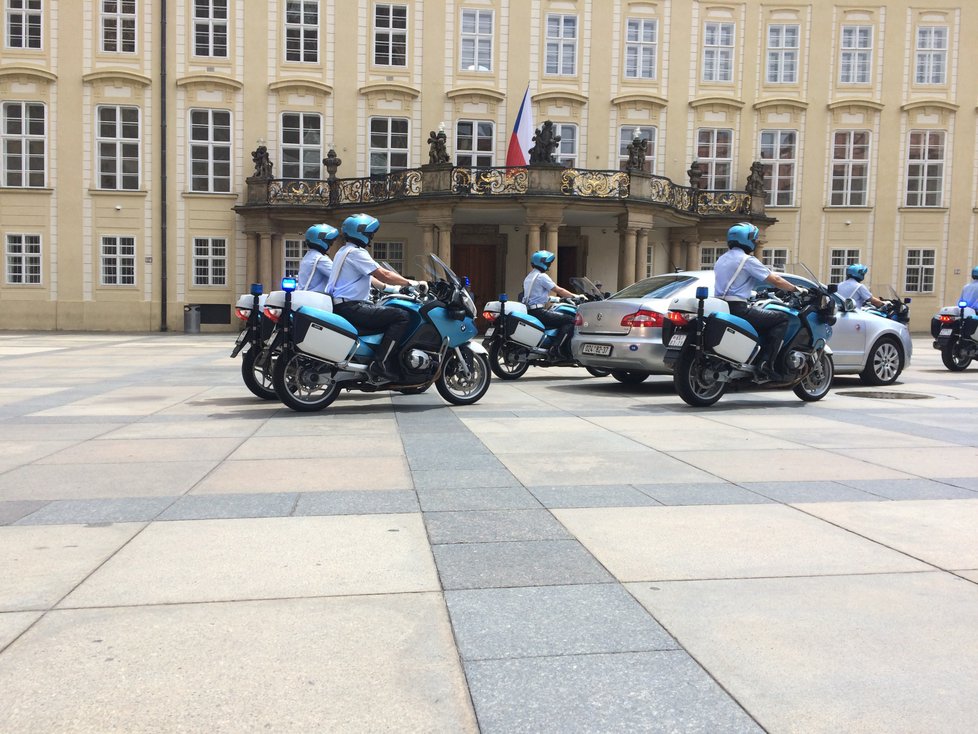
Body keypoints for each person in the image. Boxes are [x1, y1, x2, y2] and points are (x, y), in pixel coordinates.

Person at [325, 213, 425, 382]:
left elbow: (370, 278)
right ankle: (380, 363)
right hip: (352, 307)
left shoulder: (343, 251)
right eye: (370, 234)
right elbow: (383, 273)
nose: (371, 237)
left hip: (343, 305)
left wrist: (392, 288)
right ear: (361, 233)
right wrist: (411, 283)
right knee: (402, 316)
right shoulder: (357, 253)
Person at [713, 222, 806, 380]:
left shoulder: (721, 259)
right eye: (754, 239)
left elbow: (735, 284)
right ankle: (765, 363)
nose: (755, 243)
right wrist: (797, 289)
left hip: (721, 306)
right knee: (781, 319)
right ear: (748, 240)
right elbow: (775, 279)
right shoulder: (746, 260)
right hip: (738, 308)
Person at [521, 250, 582, 359]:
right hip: (539, 312)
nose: (549, 265)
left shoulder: (529, 277)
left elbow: (536, 295)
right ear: (543, 262)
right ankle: (556, 348)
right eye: (548, 263)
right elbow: (559, 290)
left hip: (530, 310)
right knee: (571, 320)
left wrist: (556, 299)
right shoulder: (542, 276)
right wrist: (576, 296)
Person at [296, 224, 337, 292]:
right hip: (315, 299)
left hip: (304, 296)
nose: (331, 245)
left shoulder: (309, 256)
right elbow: (338, 276)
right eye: (329, 242)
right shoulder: (320, 259)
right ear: (322, 241)